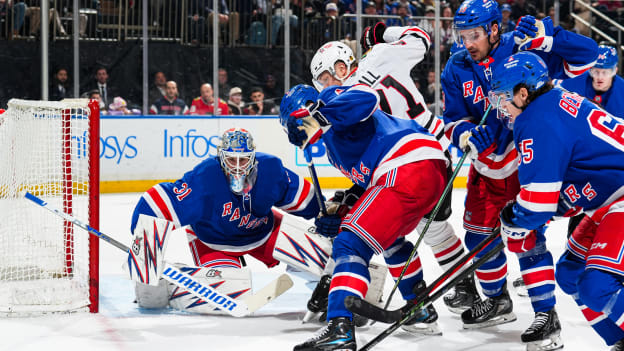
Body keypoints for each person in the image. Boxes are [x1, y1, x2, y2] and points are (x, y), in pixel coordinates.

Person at [441, 0, 597, 349]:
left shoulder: (522, 46)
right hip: (484, 165)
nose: (468, 43)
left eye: (475, 34)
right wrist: (465, 134)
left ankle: (546, 314)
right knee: (477, 237)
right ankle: (497, 300)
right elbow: (451, 119)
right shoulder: (456, 66)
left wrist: (549, 38)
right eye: (463, 35)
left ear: (495, 29)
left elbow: (587, 55)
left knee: (524, 236)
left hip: (523, 158)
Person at [309, 26, 479, 332]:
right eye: (322, 80)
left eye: (330, 74)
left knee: (423, 232)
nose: (329, 83)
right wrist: (382, 34)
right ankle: (452, 292)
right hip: (424, 152)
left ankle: (444, 293)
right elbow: (420, 39)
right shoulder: (381, 55)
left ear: (344, 65)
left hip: (410, 157)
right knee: (418, 232)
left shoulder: (346, 98)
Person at [281, 83, 450, 351]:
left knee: (349, 243)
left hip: (406, 162)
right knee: (387, 240)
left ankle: (340, 327)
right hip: (417, 171)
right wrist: (345, 208)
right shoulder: (332, 149)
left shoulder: (330, 100)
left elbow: (367, 98)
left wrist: (320, 115)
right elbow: (368, 186)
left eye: (295, 124)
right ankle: (420, 311)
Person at [488, 51, 624, 351]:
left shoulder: (535, 120)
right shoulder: (554, 100)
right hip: (609, 200)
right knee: (570, 272)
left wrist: (516, 218)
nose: (501, 109)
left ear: (523, 93)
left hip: (619, 198)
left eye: (502, 99)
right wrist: (529, 214)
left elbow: (536, 206)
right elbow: (570, 187)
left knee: (596, 288)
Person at [130, 127, 320, 303]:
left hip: (263, 232)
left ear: (253, 157)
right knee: (231, 294)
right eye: (231, 159)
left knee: (320, 255)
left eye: (243, 159)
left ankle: (329, 291)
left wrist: (325, 216)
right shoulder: (204, 178)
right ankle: (170, 288)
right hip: (214, 242)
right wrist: (143, 247)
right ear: (221, 158)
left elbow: (306, 200)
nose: (237, 167)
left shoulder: (271, 169)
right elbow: (156, 205)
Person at [554, 44, 624, 238]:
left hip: (615, 171)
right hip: (582, 166)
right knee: (577, 231)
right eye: (595, 70)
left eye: (606, 71)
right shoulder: (572, 85)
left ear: (615, 70)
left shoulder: (623, 94)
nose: (600, 77)